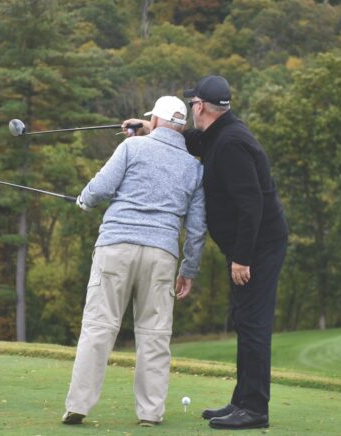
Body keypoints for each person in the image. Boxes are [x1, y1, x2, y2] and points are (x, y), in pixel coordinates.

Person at [124, 75, 289, 430]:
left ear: (199, 107)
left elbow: (251, 207)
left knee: (254, 325)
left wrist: (242, 258)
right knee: (244, 320)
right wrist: (151, 127)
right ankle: (242, 401)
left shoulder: (231, 143)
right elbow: (190, 140)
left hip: (259, 246)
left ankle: (255, 408)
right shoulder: (218, 133)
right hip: (248, 244)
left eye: (192, 104)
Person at [62, 96, 206, 427]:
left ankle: (78, 405)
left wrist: (84, 200)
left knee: (99, 328)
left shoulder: (131, 149)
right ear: (181, 127)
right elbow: (197, 229)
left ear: (153, 121)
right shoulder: (195, 168)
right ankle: (150, 413)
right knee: (154, 335)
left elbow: (100, 188)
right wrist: (189, 269)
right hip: (162, 255)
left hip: (116, 246)